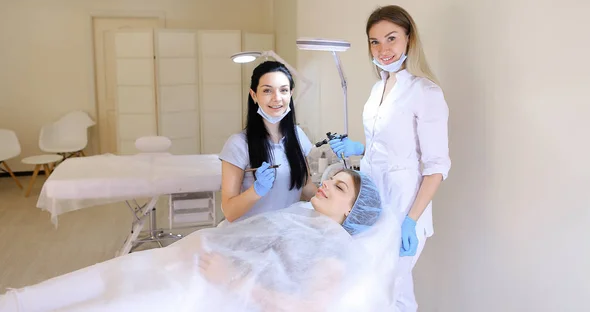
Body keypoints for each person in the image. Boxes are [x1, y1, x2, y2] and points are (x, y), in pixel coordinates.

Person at [0, 170, 399, 312]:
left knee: (111, 303)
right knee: (101, 278)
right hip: (179, 262)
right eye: (332, 178)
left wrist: (232, 280)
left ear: (353, 210)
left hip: (204, 292)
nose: (327, 183)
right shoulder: (304, 215)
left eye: (340, 186)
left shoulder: (334, 250)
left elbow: (307, 308)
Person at [329, 5, 451, 311]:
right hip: (372, 206)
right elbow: (382, 144)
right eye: (374, 41)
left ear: (409, 39)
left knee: (383, 292)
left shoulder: (426, 92)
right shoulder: (377, 89)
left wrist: (410, 221)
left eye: (391, 38)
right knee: (395, 295)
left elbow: (436, 167)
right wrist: (360, 148)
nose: (383, 49)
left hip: (403, 209)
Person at [219, 61, 317, 223]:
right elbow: (229, 211)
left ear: (291, 93)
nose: (277, 98)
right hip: (250, 236)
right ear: (254, 95)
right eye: (267, 91)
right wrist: (256, 190)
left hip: (287, 232)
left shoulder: (298, 136)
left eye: (283, 90)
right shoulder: (238, 144)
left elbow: (306, 187)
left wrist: (335, 198)